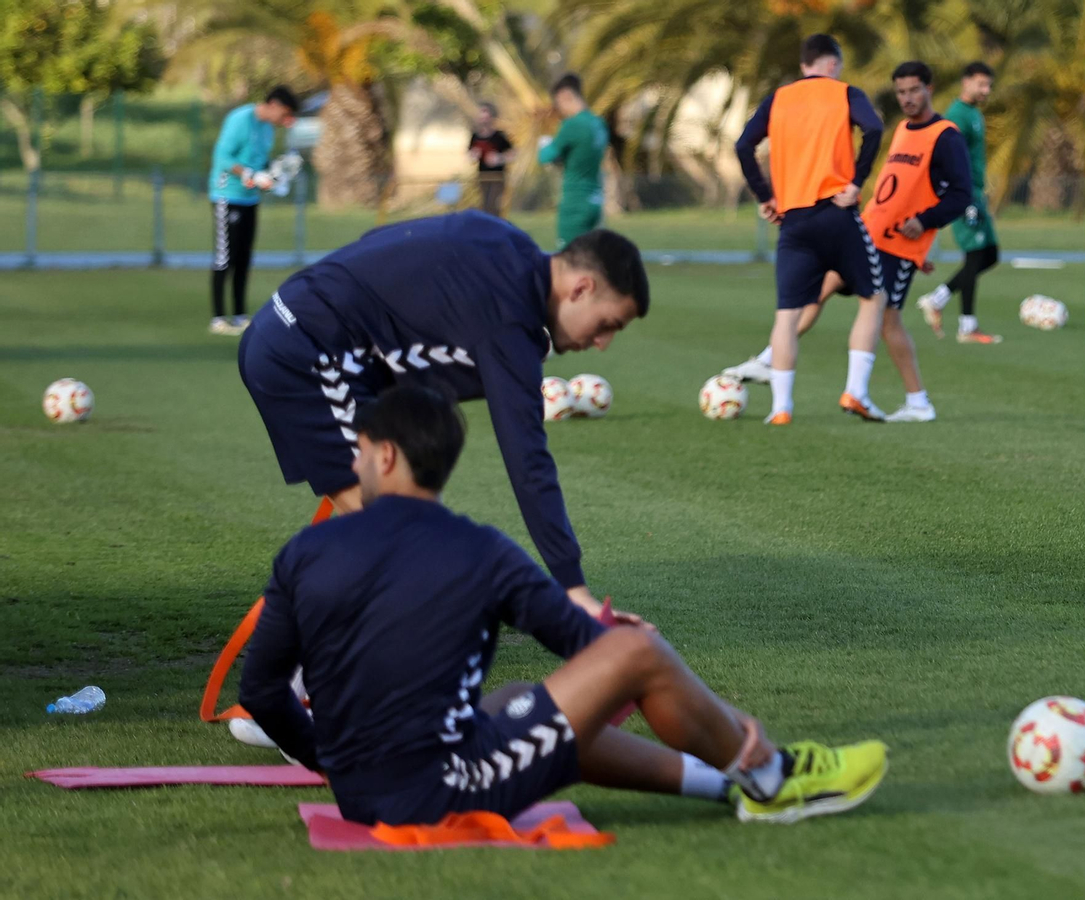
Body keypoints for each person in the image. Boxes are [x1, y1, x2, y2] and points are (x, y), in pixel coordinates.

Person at [239, 385, 888, 826]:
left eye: (358, 451)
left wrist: (331, 763)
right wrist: (624, 649)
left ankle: (727, 786)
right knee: (636, 650)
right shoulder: (481, 551)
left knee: (515, 702)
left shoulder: (306, 551)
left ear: (385, 455)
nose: (356, 464)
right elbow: (589, 647)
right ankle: (770, 778)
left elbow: (262, 692)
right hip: (439, 793)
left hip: (364, 792)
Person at [238, 212, 644, 613]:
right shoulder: (509, 325)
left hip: (294, 325)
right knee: (405, 547)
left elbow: (383, 241)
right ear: (581, 288)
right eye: (607, 324)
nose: (603, 342)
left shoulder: (503, 238)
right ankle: (317, 645)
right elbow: (528, 461)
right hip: (305, 352)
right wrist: (572, 586)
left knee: (412, 539)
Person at [729, 33, 888, 425]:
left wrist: (765, 196)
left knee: (787, 315)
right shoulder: (845, 93)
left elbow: (743, 146)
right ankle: (856, 391)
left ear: (804, 65)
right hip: (837, 212)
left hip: (794, 221)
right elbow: (873, 129)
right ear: (832, 63)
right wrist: (857, 182)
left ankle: (781, 408)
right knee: (874, 298)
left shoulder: (778, 99)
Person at [916, 62, 1002, 345]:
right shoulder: (957, 115)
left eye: (989, 85)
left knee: (990, 255)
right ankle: (967, 326)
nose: (986, 90)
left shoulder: (974, 113)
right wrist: (959, 196)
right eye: (981, 84)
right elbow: (945, 155)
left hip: (976, 193)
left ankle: (938, 300)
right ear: (966, 82)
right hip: (965, 195)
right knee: (975, 256)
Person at [208, 85, 298, 336]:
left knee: (244, 258)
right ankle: (218, 318)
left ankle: (239, 315)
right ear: (274, 105)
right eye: (285, 113)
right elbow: (223, 158)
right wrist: (249, 174)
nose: (285, 120)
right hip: (227, 196)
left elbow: (261, 162)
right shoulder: (240, 119)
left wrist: (275, 175)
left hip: (250, 199)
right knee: (225, 258)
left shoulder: (267, 128)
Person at [537, 74, 609, 250]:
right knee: (590, 257)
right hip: (595, 200)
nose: (560, 110)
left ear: (565, 96)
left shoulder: (573, 125)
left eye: (558, 104)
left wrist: (544, 144)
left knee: (568, 259)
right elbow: (580, 155)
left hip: (575, 202)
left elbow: (545, 156)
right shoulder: (598, 124)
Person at [468, 102, 515, 217]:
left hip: (497, 177)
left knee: (494, 205)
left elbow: (513, 154)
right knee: (484, 204)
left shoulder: (499, 136)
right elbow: (470, 155)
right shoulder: (475, 136)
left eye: (485, 113)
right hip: (483, 176)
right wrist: (473, 155)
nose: (483, 117)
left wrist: (499, 158)